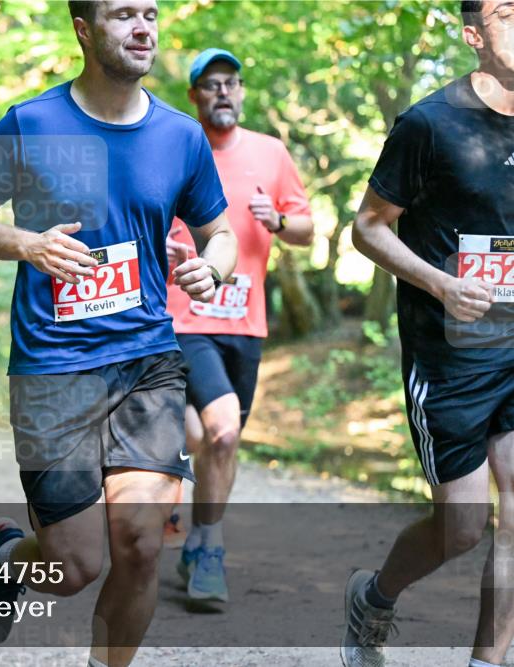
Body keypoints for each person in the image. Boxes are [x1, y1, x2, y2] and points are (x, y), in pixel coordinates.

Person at [0, 2, 237, 664]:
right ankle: (11, 554)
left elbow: (222, 234)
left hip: (147, 362)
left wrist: (210, 272)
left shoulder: (180, 136)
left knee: (137, 545)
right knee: (73, 566)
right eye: (122, 15)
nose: (143, 29)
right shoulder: (32, 122)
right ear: (83, 29)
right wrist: (26, 243)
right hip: (53, 370)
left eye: (150, 13)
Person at [341, 2, 513, 666]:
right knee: (463, 527)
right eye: (507, 11)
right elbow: (368, 226)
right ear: (474, 35)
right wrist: (442, 284)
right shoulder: (428, 124)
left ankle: (484, 662)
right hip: (451, 354)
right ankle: (375, 596)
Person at [166, 48, 314, 602]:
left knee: (213, 439)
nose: (222, 92)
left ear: (242, 91)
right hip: (184, 314)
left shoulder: (271, 152)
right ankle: (210, 549)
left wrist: (279, 220)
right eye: (211, 84)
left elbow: (306, 230)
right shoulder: (180, 149)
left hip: (245, 322)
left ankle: (196, 538)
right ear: (195, 96)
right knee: (219, 430)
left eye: (231, 82)